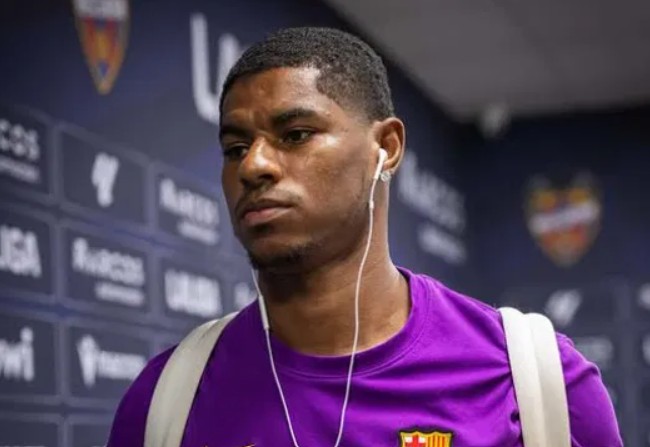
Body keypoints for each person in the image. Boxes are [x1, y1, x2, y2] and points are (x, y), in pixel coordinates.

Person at [107, 27, 622, 447]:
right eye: (235, 147)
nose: (254, 165)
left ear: (386, 148)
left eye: (295, 135)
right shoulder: (166, 401)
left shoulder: (538, 381)